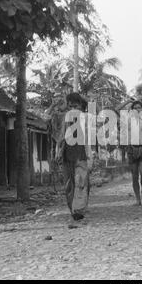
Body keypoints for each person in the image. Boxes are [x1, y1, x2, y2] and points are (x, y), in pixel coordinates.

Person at [57, 93, 93, 224]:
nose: (73, 109)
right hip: (66, 154)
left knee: (81, 181)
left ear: (82, 107)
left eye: (76, 105)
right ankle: (73, 209)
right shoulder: (64, 119)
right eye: (70, 105)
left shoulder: (87, 118)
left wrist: (86, 99)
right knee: (68, 185)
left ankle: (79, 210)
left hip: (82, 154)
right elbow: (59, 136)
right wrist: (57, 152)